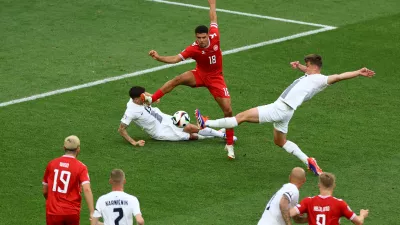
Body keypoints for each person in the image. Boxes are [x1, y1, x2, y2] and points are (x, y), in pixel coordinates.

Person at [195, 54, 375, 175]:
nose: (306, 67)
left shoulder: (320, 79)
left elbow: (339, 76)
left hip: (280, 108)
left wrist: (358, 72)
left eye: (307, 65)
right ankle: (309, 160)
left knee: (240, 117)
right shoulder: (312, 76)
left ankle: (206, 123)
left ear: (314, 67)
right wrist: (299, 67)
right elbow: (308, 72)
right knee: (279, 141)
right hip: (287, 112)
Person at [142, 0, 236, 158]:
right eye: (198, 37)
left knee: (228, 110)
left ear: (208, 36)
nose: (201, 40)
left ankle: (229, 143)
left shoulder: (215, 36)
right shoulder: (193, 49)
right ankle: (153, 98)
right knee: (178, 79)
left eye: (203, 37)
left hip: (216, 78)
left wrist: (212, 4)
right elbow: (175, 59)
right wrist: (158, 57)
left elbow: (213, 19)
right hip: (200, 74)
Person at [118, 86, 236, 146]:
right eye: (142, 97)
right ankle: (214, 135)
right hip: (160, 132)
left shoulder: (138, 97)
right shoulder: (130, 112)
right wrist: (134, 142)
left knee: (190, 127)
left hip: (165, 118)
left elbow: (146, 94)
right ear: (136, 99)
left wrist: (154, 97)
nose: (145, 97)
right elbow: (121, 129)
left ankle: (223, 136)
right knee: (191, 137)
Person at [42, 135, 94, 225]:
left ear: (64, 148)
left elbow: (45, 191)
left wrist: (52, 201)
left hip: (53, 211)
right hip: (72, 212)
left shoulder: (52, 164)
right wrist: (92, 212)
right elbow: (86, 189)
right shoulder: (81, 167)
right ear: (78, 149)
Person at [290, 172, 369, 225]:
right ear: (333, 186)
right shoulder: (340, 204)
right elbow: (359, 222)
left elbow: (290, 213)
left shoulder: (308, 201)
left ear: (319, 185)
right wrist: (362, 215)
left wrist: (307, 218)